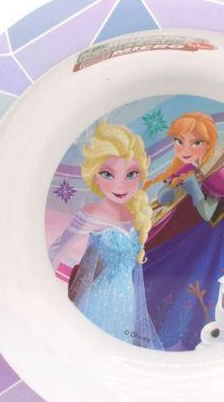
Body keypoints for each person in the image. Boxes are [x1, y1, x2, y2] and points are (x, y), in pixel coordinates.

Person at [142, 112, 224, 350]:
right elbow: (167, 198)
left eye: (195, 142)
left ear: (208, 144)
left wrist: (194, 189)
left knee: (210, 279)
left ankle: (206, 335)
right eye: (179, 141)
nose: (186, 149)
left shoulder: (215, 172)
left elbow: (209, 212)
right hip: (202, 232)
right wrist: (170, 189)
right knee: (168, 262)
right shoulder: (186, 168)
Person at [48, 122, 161, 349]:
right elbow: (56, 250)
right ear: (95, 177)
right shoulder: (92, 213)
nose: (120, 184)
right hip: (100, 298)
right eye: (108, 174)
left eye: (131, 174)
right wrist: (50, 296)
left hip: (127, 300)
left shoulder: (135, 214)